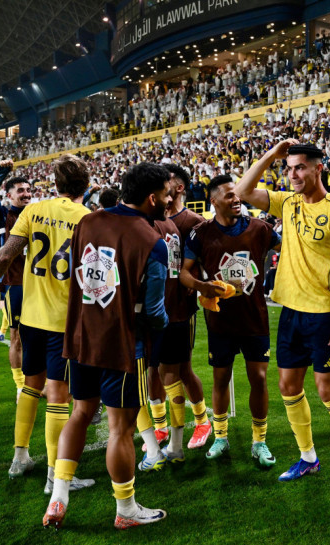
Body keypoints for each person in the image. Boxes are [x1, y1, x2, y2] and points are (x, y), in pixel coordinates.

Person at [234, 139, 330, 496]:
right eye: (289, 168)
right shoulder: (287, 202)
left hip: (324, 314)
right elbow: (242, 191)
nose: (292, 174)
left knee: (328, 391)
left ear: (318, 168)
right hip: (291, 311)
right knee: (288, 387)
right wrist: (271, 155)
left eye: (299, 168)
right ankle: (308, 458)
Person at [42, 162, 171, 529]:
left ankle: (58, 496)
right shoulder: (152, 242)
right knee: (120, 429)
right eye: (166, 194)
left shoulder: (87, 222)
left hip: (82, 336)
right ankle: (126, 509)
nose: (169, 199)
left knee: (80, 413)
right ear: (151, 198)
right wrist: (163, 328)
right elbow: (155, 312)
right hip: (123, 345)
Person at [0, 154, 94, 492]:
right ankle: (55, 475)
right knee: (58, 395)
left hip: (31, 318)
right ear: (86, 185)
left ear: (56, 184)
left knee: (30, 386)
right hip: (64, 321)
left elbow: (5, 255)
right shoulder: (89, 219)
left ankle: (19, 457)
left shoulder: (33, 211)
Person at [180, 174, 281, 465]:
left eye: (237, 194)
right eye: (229, 195)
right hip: (220, 321)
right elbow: (184, 272)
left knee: (259, 379)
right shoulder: (200, 233)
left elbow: (288, 251)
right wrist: (201, 286)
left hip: (254, 319)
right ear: (213, 201)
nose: (236, 199)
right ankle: (221, 437)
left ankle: (259, 441)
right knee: (221, 378)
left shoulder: (260, 228)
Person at [136, 164, 211, 471]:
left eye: (166, 181)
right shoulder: (152, 219)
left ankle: (202, 420)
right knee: (153, 372)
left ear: (178, 187)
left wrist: (201, 285)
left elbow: (204, 260)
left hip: (179, 308)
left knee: (180, 371)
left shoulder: (192, 221)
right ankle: (161, 426)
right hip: (155, 310)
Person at [0, 160, 32, 400]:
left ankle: (41, 381)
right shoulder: (2, 215)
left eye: (28, 190)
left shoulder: (38, 214)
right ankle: (20, 386)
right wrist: (2, 172)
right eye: (20, 191)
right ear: (9, 195)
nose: (26, 194)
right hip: (16, 283)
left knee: (44, 337)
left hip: (42, 284)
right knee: (17, 336)